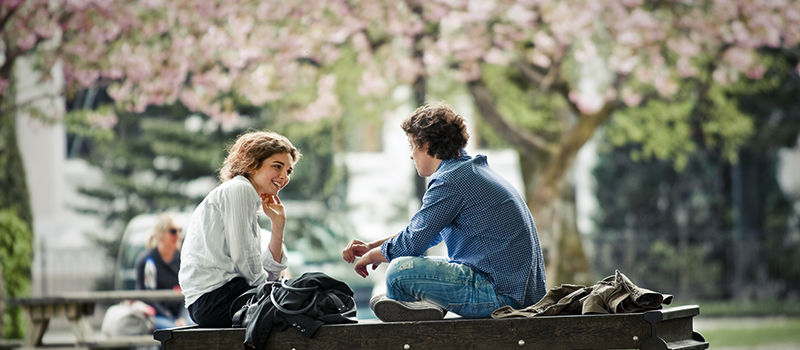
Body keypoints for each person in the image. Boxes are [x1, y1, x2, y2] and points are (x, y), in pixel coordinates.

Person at [342, 103, 546, 321]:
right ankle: (423, 310)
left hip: (501, 296)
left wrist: (374, 255)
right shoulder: (468, 171)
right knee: (402, 265)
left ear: (427, 145)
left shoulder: (450, 181)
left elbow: (414, 242)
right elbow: (426, 232)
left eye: (412, 146)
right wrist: (373, 247)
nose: (411, 155)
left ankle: (416, 324)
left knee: (399, 273)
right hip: (517, 292)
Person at [179, 131, 301, 327]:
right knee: (301, 307)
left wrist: (278, 226)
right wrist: (270, 293)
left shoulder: (247, 198)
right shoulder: (239, 189)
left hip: (223, 297)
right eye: (277, 166)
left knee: (301, 304)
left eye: (288, 171)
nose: (283, 177)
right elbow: (244, 259)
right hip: (215, 299)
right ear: (252, 164)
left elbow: (269, 274)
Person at [135, 213, 191, 329]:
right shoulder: (147, 261)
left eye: (180, 231)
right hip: (158, 316)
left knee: (191, 326)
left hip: (181, 316)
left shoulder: (183, 260)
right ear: (160, 235)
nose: (178, 235)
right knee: (172, 330)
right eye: (173, 231)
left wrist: (181, 318)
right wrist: (172, 318)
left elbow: (190, 292)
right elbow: (146, 298)